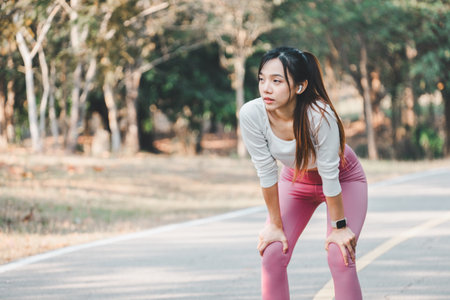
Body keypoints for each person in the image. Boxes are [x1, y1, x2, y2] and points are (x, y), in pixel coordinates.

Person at [239, 47, 368, 300]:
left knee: (339, 254)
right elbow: (266, 172)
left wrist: (339, 228)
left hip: (344, 177)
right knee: (273, 251)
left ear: (299, 86)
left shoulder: (320, 116)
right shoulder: (251, 114)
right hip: (296, 178)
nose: (266, 88)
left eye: (276, 81)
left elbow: (330, 175)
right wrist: (275, 225)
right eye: (262, 79)